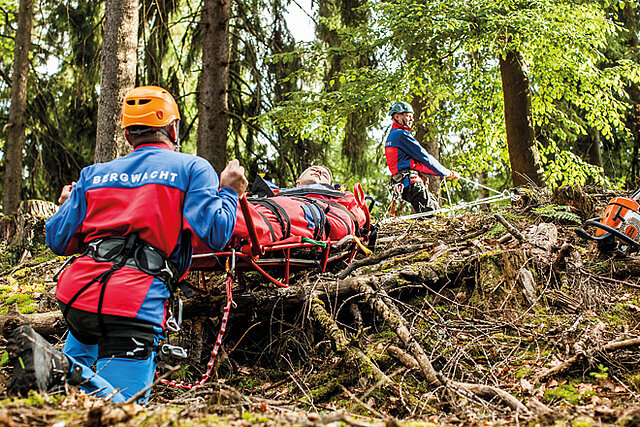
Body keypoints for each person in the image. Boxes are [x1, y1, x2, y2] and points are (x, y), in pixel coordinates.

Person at [7, 85, 248, 402]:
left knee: (71, 400)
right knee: (126, 405)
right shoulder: (192, 168)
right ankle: (58, 367)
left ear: (127, 133)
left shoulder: (94, 174)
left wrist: (67, 206)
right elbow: (217, 232)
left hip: (78, 295)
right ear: (173, 128)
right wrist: (230, 190)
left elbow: (57, 239)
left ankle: (57, 369)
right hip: (133, 299)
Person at [385, 101, 459, 213]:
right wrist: (445, 171)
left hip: (405, 185)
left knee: (435, 210)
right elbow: (424, 157)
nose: (412, 119)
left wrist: (442, 172)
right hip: (411, 183)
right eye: (408, 116)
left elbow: (418, 165)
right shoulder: (401, 135)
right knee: (432, 217)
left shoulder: (393, 136)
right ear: (397, 117)